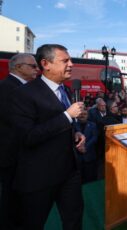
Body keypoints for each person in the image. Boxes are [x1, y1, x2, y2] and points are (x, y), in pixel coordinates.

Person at [9, 44, 85, 230]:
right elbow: (28, 137)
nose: (71, 64)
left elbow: (64, 125)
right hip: (39, 177)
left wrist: (76, 132)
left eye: (70, 60)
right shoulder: (23, 94)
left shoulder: (66, 90)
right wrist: (67, 116)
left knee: (74, 219)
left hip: (69, 173)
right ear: (45, 64)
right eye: (65, 60)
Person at [0, 53, 38, 229]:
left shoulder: (16, 87)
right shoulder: (11, 89)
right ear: (18, 67)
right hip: (14, 156)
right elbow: (18, 126)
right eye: (33, 66)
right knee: (13, 202)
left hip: (18, 156)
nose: (37, 70)